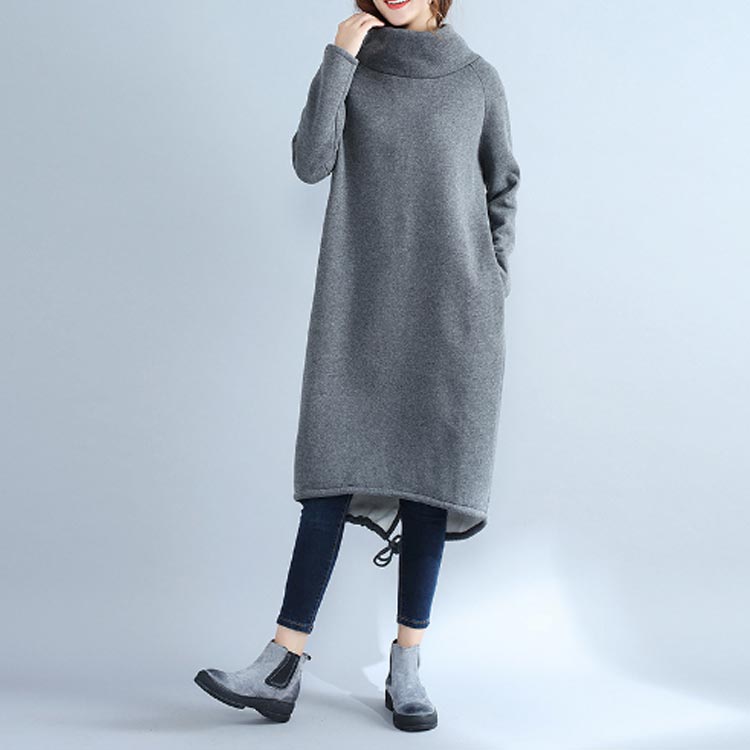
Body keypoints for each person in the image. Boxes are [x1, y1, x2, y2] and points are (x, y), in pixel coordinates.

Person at [194, 0, 520, 733]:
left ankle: (408, 663)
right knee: (330, 476)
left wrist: (493, 281)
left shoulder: (477, 80)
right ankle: (282, 663)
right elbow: (310, 163)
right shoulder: (355, 69)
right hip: (361, 304)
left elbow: (503, 185)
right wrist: (339, 57)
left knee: (430, 483)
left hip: (455, 313)